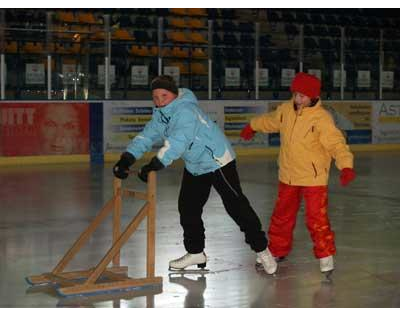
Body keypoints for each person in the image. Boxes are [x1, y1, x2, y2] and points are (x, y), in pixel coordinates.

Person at [113, 75, 277, 274]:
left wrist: (154, 165)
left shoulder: (186, 111)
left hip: (217, 160)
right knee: (188, 207)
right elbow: (146, 136)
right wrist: (127, 158)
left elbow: (177, 142)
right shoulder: (160, 114)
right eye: (155, 97)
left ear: (174, 94)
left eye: (164, 96)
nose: (159, 101)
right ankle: (196, 252)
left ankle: (262, 249)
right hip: (196, 164)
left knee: (236, 206)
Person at [240, 72, 356, 274]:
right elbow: (270, 121)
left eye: (302, 95)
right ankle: (276, 250)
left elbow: (336, 143)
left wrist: (345, 165)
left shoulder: (321, 118)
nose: (298, 99)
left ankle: (325, 255)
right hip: (288, 174)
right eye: (295, 94)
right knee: (281, 217)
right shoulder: (286, 110)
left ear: (313, 96)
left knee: (316, 219)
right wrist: (253, 125)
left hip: (314, 178)